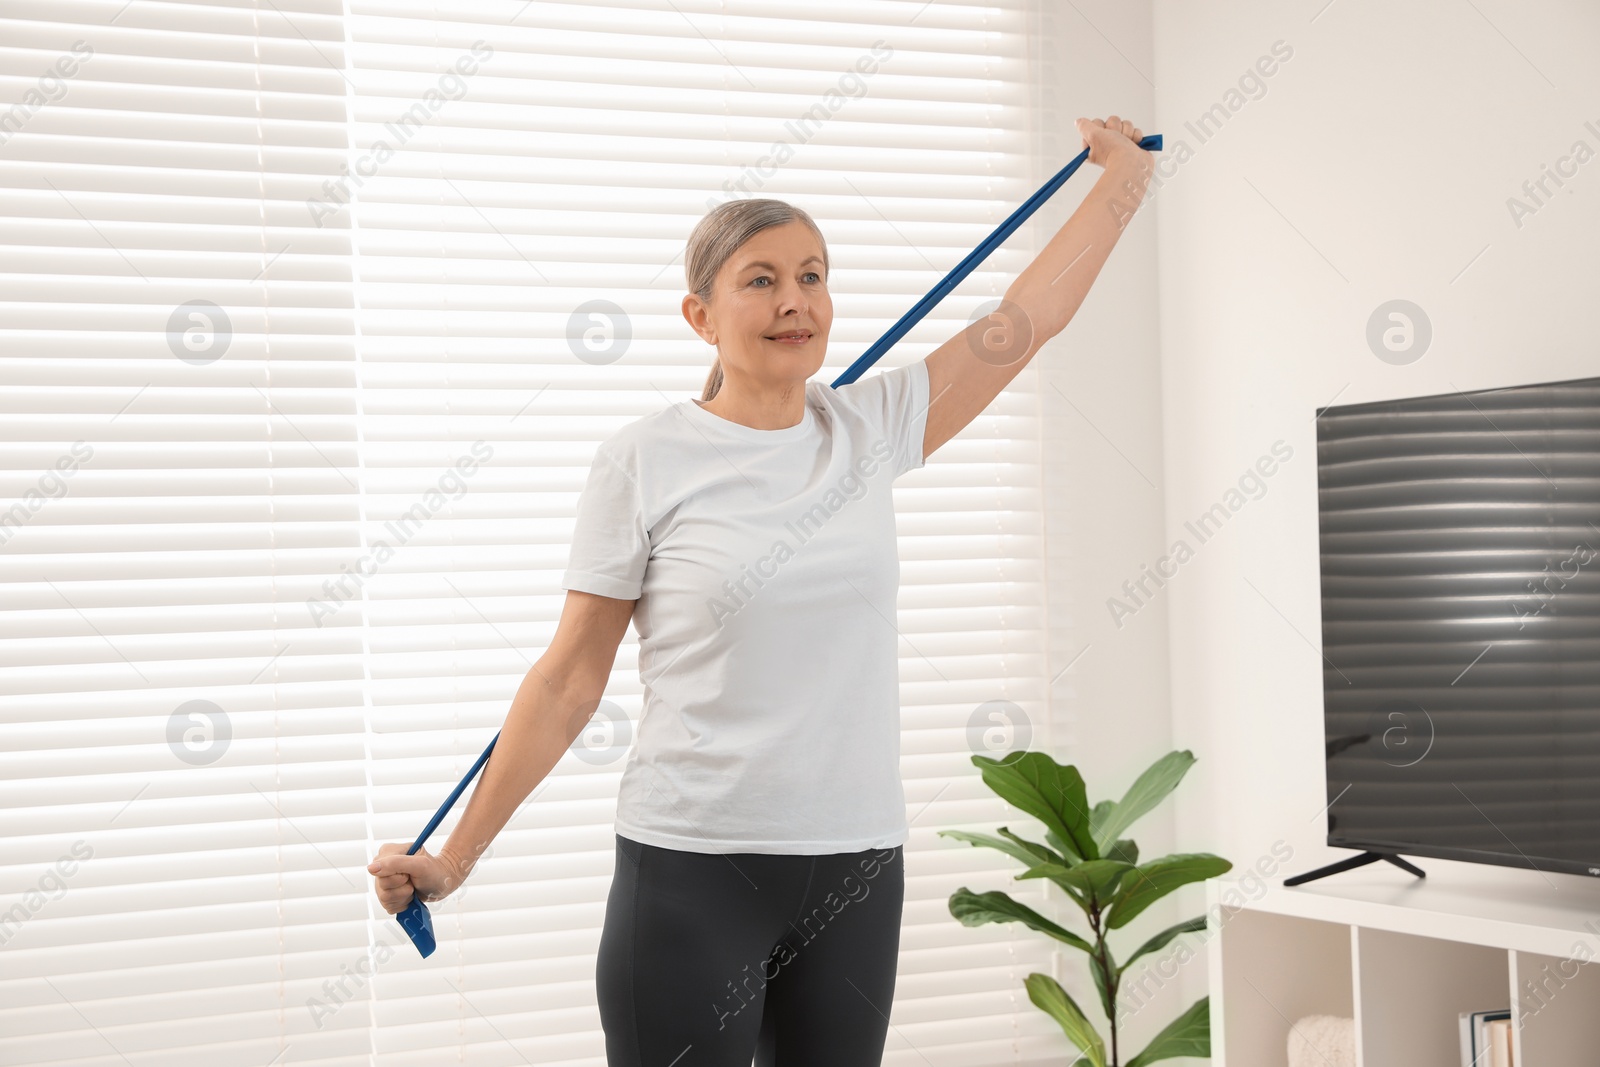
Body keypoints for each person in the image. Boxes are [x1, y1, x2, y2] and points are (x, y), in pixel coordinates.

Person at [368, 115, 1152, 1065]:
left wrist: (1121, 176)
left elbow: (1030, 320)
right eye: (762, 280)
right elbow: (569, 681)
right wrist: (455, 857)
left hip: (857, 868)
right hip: (691, 871)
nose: (796, 301)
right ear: (700, 315)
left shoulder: (872, 429)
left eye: (813, 276)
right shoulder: (645, 461)